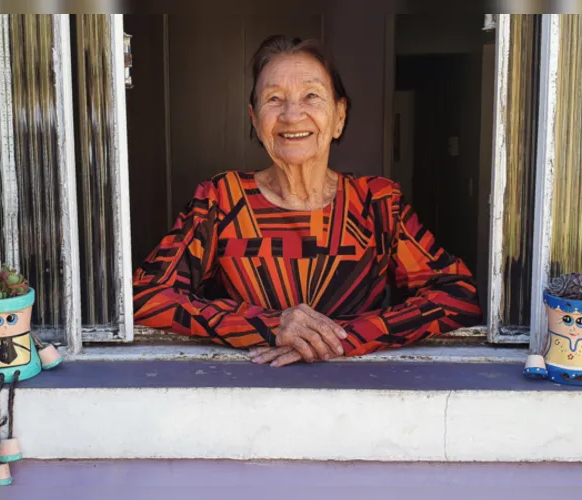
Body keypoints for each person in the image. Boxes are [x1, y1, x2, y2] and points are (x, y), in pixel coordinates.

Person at [132, 35, 482, 367]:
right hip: (246, 391)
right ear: (255, 119)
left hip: (360, 392)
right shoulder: (223, 199)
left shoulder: (376, 203)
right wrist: (268, 325)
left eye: (311, 96)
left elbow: (458, 295)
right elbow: (144, 295)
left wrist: (346, 337)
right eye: (274, 98)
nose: (291, 114)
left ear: (339, 116)